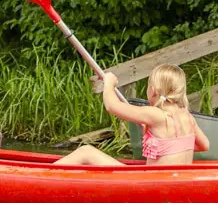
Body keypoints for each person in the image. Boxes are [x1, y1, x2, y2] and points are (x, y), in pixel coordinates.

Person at [56, 64, 210, 166]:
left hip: (152, 185)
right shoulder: (187, 116)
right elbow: (204, 145)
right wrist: (168, 146)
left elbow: (112, 106)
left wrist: (108, 83)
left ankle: (39, 176)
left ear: (153, 90)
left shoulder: (156, 114)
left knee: (86, 152)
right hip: (175, 182)